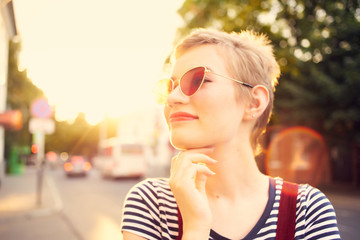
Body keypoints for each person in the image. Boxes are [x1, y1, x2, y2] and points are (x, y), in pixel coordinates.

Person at [120, 28, 341, 240]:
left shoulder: (306, 211)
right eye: (171, 87)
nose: (172, 98)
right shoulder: (150, 202)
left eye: (199, 80)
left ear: (254, 102)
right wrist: (195, 228)